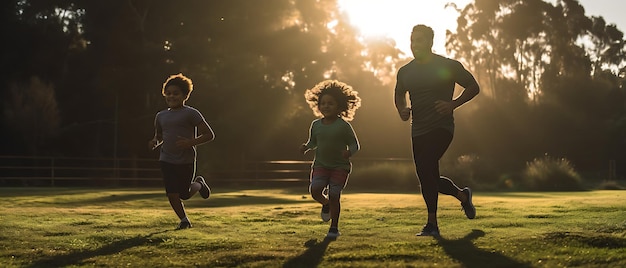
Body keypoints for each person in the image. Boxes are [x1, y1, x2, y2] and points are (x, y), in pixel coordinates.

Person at [394, 24, 480, 236]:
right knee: (427, 176)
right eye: (413, 40)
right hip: (418, 130)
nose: (415, 45)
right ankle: (462, 196)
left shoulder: (448, 66)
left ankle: (432, 224)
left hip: (442, 127)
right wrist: (402, 109)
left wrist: (453, 104)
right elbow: (399, 94)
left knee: (426, 167)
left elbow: (473, 87)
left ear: (431, 42)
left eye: (420, 40)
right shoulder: (405, 71)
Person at [148, 73, 215, 230]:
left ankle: (199, 183)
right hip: (166, 159)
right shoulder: (160, 116)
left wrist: (190, 142)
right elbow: (159, 136)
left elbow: (209, 134)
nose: (171, 96)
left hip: (186, 160)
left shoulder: (191, 113)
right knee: (172, 193)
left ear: (185, 95)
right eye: (168, 93)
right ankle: (184, 220)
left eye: (176, 93)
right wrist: (154, 142)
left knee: (184, 194)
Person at [300, 80, 361, 239]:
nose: (326, 106)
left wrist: (349, 152)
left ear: (339, 106)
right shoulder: (315, 125)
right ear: (318, 106)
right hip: (320, 165)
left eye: (331, 103)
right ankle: (326, 204)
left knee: (334, 194)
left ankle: (334, 228)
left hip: (340, 167)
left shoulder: (343, 126)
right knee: (315, 190)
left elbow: (355, 144)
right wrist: (306, 147)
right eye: (323, 103)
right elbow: (313, 142)